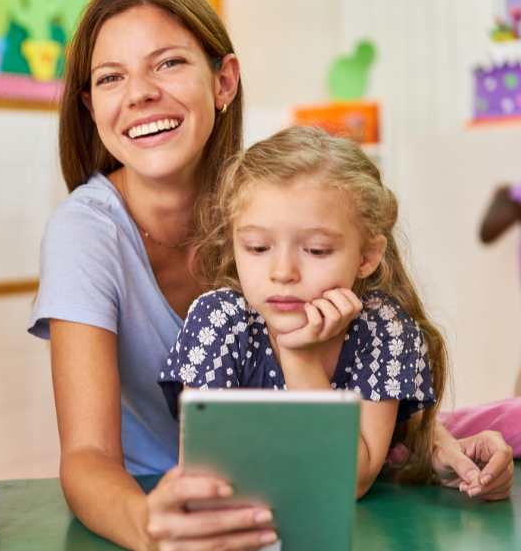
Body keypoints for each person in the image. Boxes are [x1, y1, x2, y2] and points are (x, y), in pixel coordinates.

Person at [28, 0, 515, 551]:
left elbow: (360, 355)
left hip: (314, 496)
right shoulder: (86, 232)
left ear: (224, 81)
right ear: (91, 105)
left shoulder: (276, 195)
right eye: (111, 77)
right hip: (164, 505)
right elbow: (86, 458)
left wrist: (430, 441)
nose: (139, 93)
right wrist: (153, 528)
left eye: (167, 64)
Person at [158, 126, 445, 498]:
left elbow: (350, 482)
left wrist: (299, 356)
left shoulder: (384, 330)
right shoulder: (219, 321)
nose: (283, 273)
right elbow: (204, 477)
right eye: (258, 248)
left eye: (317, 250)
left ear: (367, 256)